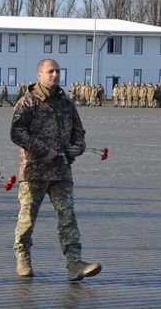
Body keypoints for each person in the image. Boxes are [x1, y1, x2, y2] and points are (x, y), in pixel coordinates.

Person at [10, 59, 102, 281]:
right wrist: (43, 150)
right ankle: (23, 258)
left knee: (67, 216)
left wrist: (78, 147)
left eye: (58, 71)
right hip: (34, 171)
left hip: (61, 171)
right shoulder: (28, 102)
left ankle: (75, 263)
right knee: (27, 218)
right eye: (50, 71)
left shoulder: (66, 102)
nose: (55, 75)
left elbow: (79, 131)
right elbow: (17, 132)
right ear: (39, 74)